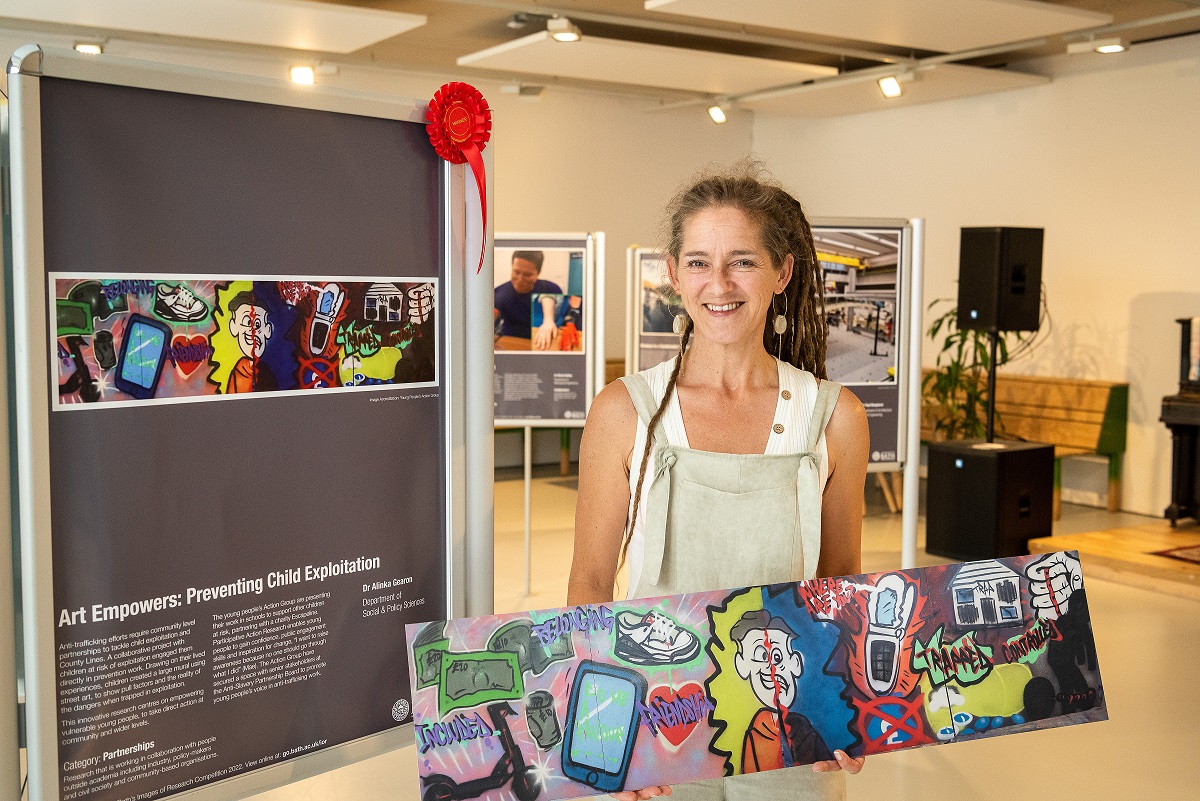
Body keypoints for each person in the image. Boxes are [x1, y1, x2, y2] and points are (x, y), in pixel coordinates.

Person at [567, 165, 869, 801]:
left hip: (788, 728)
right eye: (699, 263)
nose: (720, 285)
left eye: (743, 262)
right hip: (659, 720)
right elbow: (591, 585)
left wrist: (850, 707)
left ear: (782, 273)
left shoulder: (833, 416)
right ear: (674, 275)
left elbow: (841, 584)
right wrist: (602, 742)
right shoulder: (626, 410)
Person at [493, 250, 562, 349]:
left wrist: (548, 321)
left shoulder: (552, 289)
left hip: (542, 345)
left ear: (538, 273)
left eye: (527, 275)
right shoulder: (500, 292)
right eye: (516, 272)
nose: (520, 279)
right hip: (510, 345)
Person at [225, 290, 277, 393]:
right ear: (233, 327)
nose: (253, 331)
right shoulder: (238, 372)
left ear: (268, 330)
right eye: (247, 322)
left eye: (257, 324)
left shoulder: (266, 372)